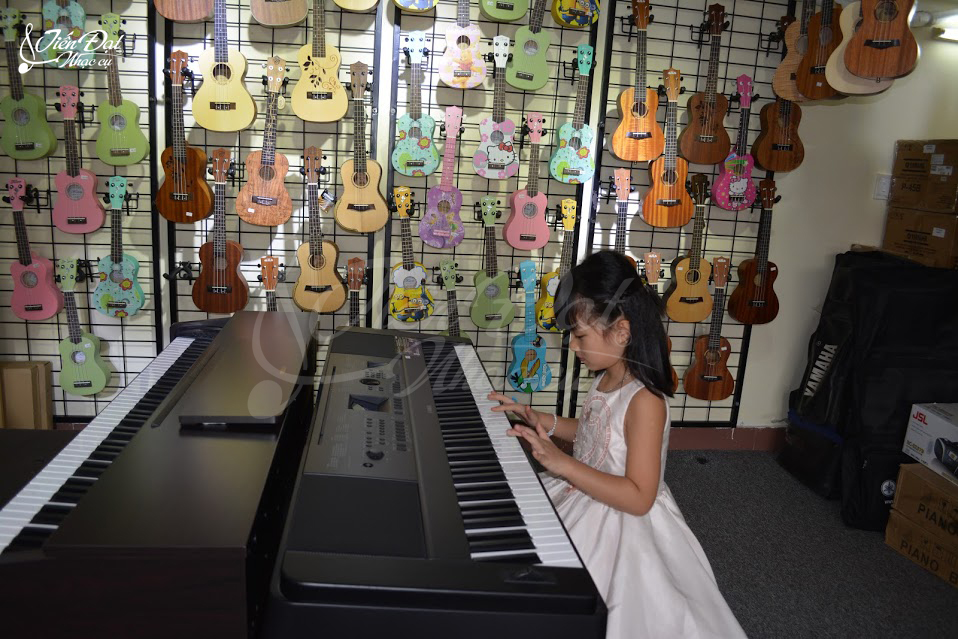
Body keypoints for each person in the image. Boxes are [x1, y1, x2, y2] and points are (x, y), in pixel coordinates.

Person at [488, 251, 745, 639]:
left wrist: (562, 464)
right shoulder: (608, 374)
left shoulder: (646, 401)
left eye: (580, 336)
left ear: (622, 332)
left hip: (623, 522)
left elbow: (639, 498)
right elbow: (598, 432)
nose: (573, 347)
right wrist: (541, 419)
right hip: (585, 491)